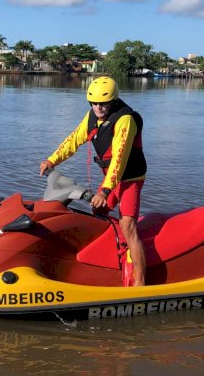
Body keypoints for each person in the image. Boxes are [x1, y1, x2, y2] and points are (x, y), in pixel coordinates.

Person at [39, 76, 147, 286]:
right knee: (98, 212)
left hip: (131, 177)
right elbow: (74, 140)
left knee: (129, 226)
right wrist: (51, 160)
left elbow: (120, 158)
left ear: (113, 101)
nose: (98, 107)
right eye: (94, 103)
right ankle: (113, 255)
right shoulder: (91, 117)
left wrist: (105, 191)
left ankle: (140, 283)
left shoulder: (125, 119)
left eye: (103, 103)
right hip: (112, 178)